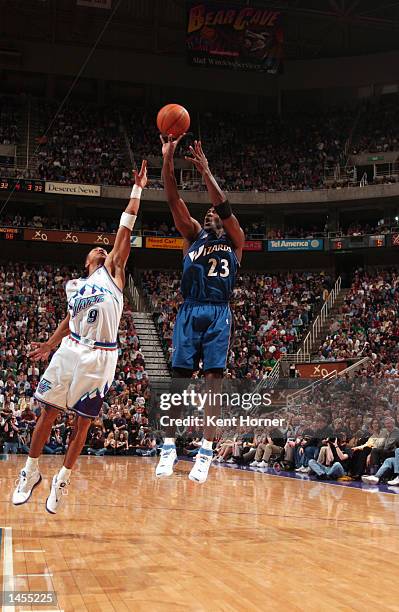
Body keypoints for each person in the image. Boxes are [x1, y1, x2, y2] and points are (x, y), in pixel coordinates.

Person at [12, 160, 147, 513]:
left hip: (101, 355)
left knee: (82, 423)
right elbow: (67, 321)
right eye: (97, 250)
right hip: (71, 349)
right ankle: (31, 471)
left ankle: (62, 480)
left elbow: (124, 227)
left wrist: (137, 190)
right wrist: (48, 344)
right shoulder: (77, 286)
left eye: (105, 249)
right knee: (47, 413)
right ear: (86, 260)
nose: (102, 250)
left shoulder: (114, 272)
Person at [155, 136, 245, 483]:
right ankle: (168, 447)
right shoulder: (193, 236)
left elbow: (224, 206)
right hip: (191, 311)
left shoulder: (235, 240)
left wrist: (207, 172)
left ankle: (205, 453)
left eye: (215, 212)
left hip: (219, 312)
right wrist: (168, 161)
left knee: (213, 385)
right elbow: (174, 199)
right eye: (207, 212)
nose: (211, 213)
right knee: (178, 382)